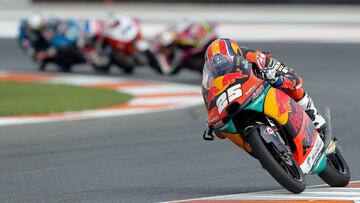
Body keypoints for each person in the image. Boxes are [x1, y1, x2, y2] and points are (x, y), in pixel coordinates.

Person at [202, 38, 327, 135]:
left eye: (226, 65)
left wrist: (274, 74)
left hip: (264, 77)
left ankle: (314, 116)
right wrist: (211, 119)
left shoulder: (251, 56)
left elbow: (295, 81)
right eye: (218, 69)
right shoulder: (212, 79)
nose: (223, 71)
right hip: (241, 97)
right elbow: (211, 99)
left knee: (291, 83)